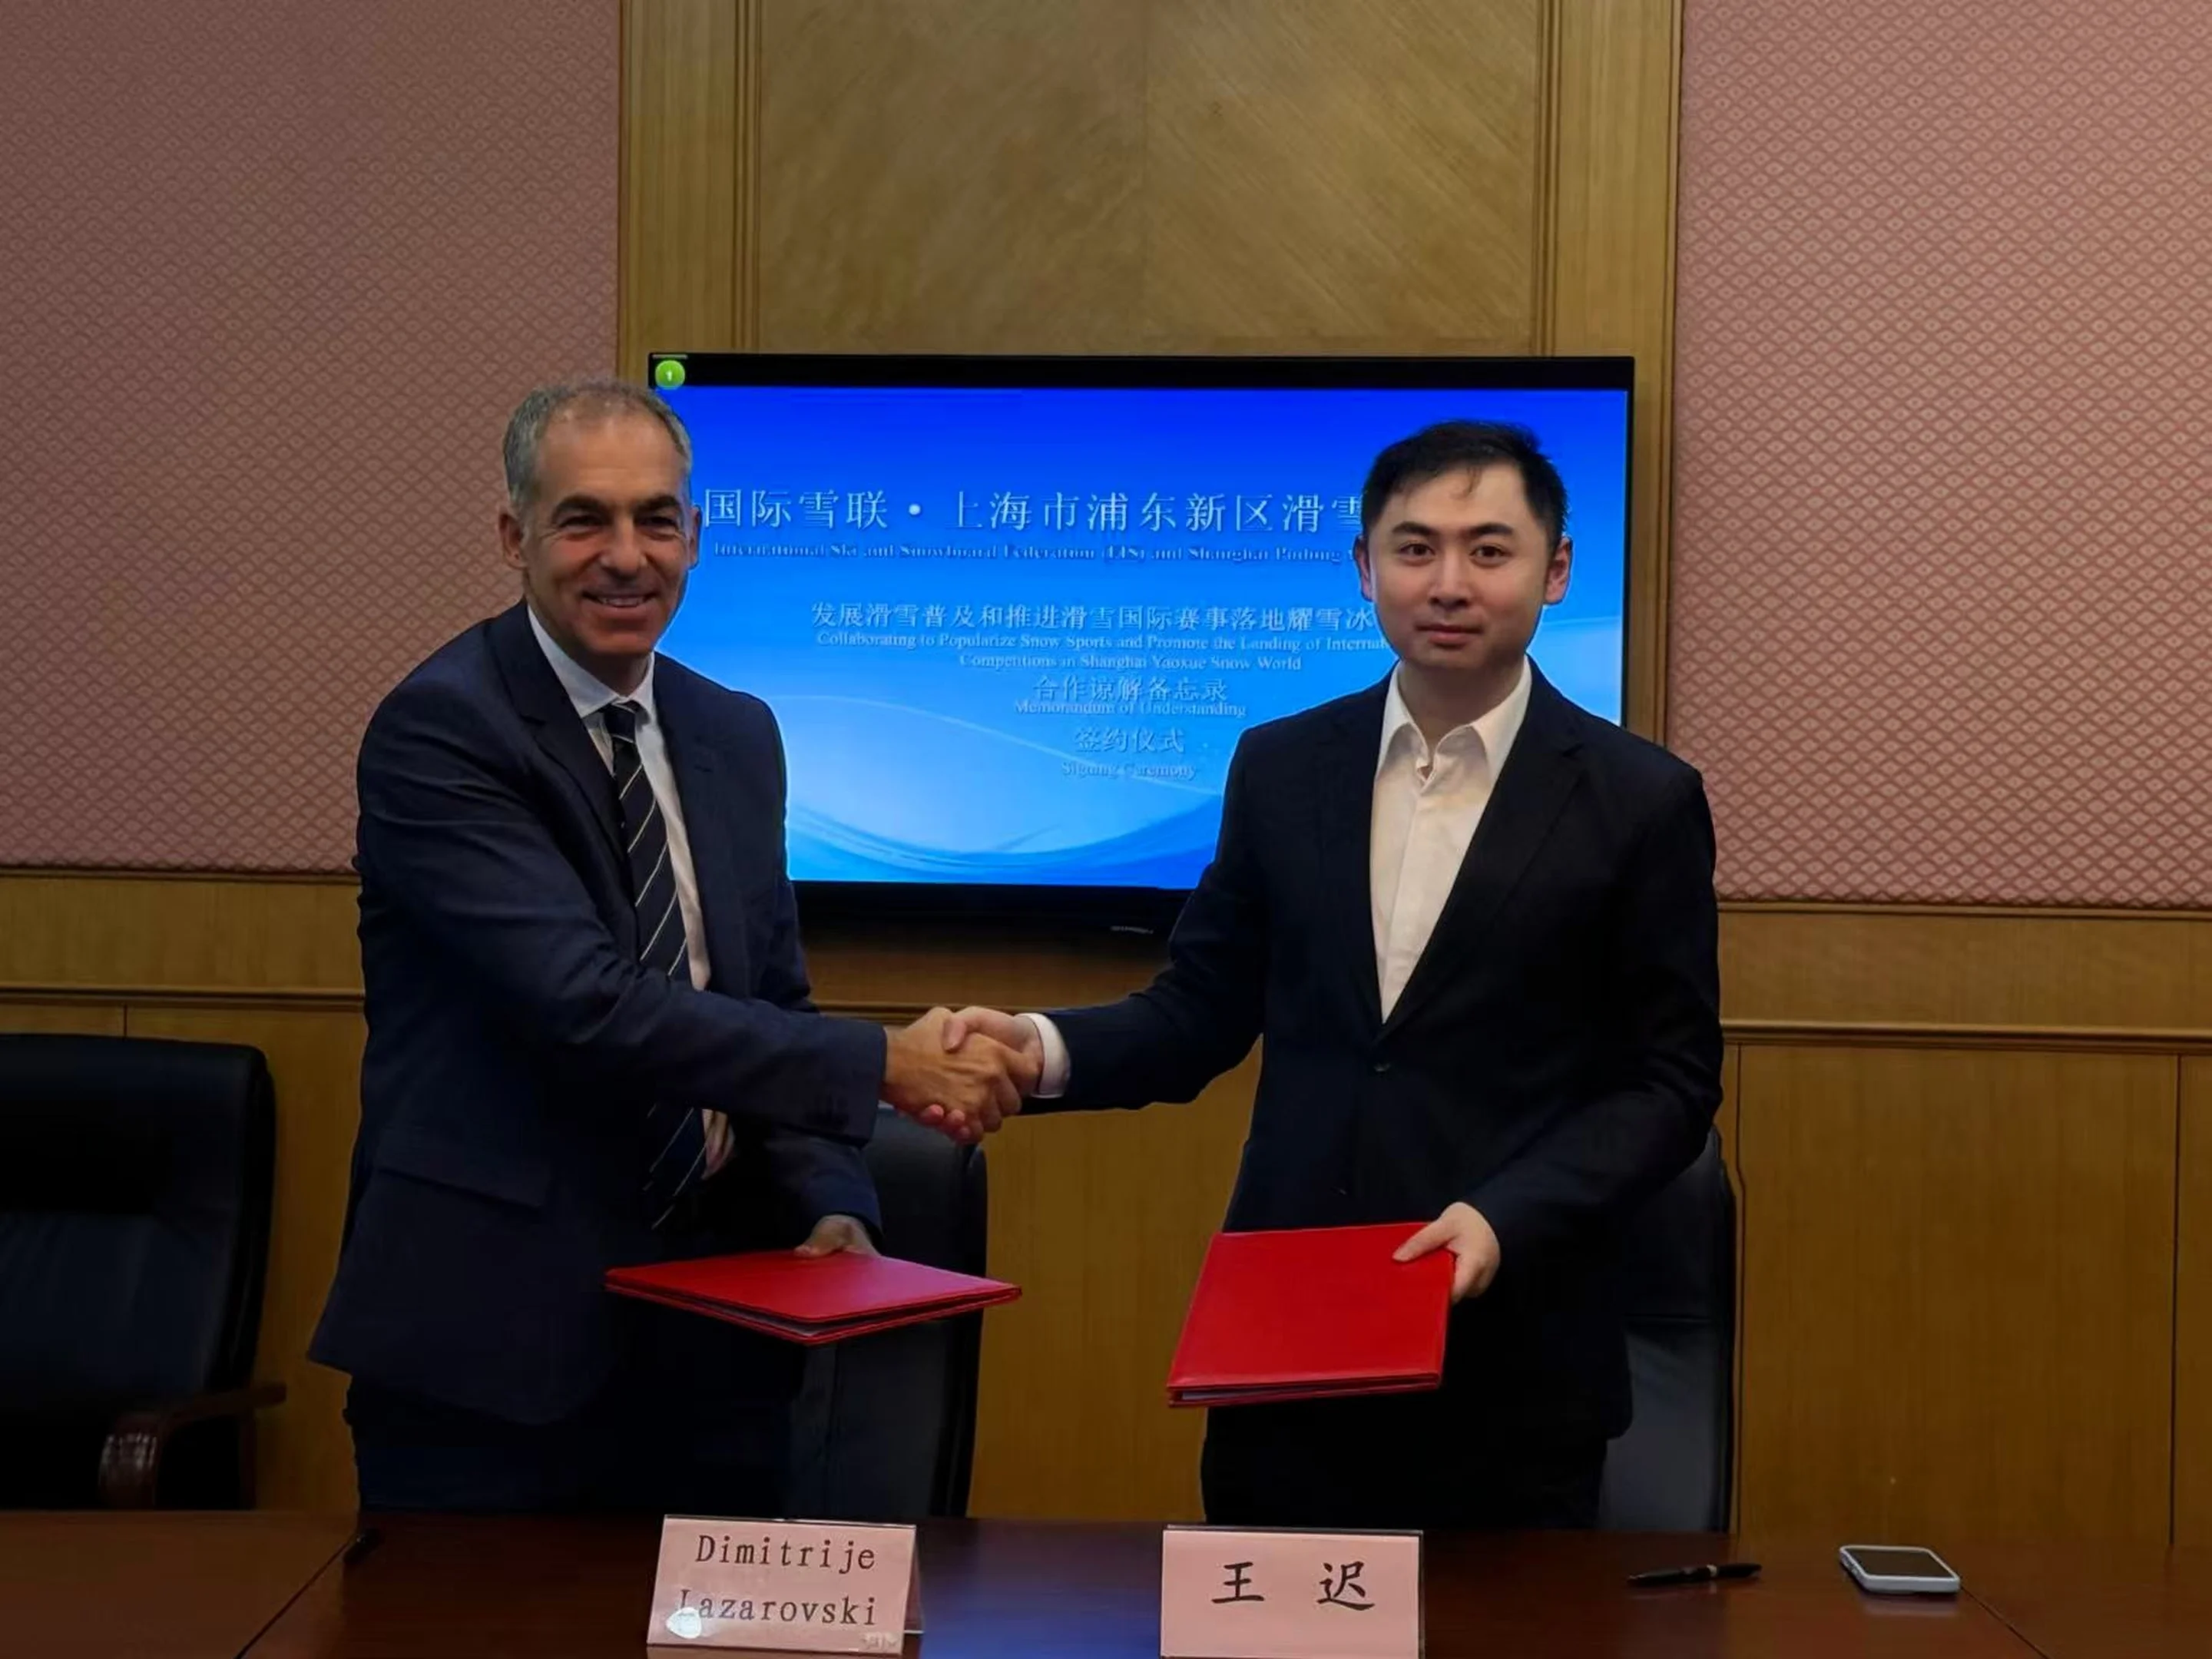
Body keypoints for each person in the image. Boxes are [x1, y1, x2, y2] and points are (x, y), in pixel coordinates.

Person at [945, 421, 1722, 1530]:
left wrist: (1504, 1220)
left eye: (1489, 551)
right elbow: (1199, 1011)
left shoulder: (1640, 799)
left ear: (1556, 570)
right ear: (1363, 567)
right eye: (1415, 549)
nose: (1448, 583)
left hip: (1512, 1355)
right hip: (1287, 1342)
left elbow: (1670, 1082)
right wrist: (1039, 1048)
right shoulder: (1283, 763)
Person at [312, 378, 1031, 1513]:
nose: (625, 556)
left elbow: (770, 1004)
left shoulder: (734, 732)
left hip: (715, 1340)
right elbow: (589, 1003)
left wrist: (830, 1201)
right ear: (514, 536)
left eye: (657, 519)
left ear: (696, 536)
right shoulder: (442, 728)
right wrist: (887, 1063)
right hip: (492, 1349)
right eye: (582, 519)